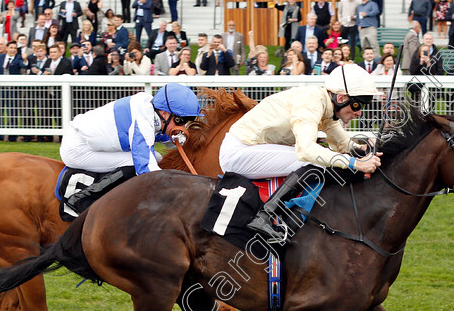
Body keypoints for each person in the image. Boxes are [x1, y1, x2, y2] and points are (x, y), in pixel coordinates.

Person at [218, 64, 382, 242]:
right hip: (240, 152)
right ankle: (265, 217)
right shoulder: (310, 103)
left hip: (255, 149)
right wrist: (356, 164)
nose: (359, 113)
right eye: (357, 105)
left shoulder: (327, 107)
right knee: (315, 161)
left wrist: (366, 150)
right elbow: (306, 150)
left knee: (322, 158)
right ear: (341, 97)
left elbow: (343, 144)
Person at [59, 82, 202, 211]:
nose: (182, 126)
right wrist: (177, 191)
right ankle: (82, 199)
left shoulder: (153, 112)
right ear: (164, 113)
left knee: (157, 157)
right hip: (77, 148)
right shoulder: (143, 117)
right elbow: (145, 168)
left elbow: (168, 139)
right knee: (134, 162)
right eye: (180, 120)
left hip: (89, 143)